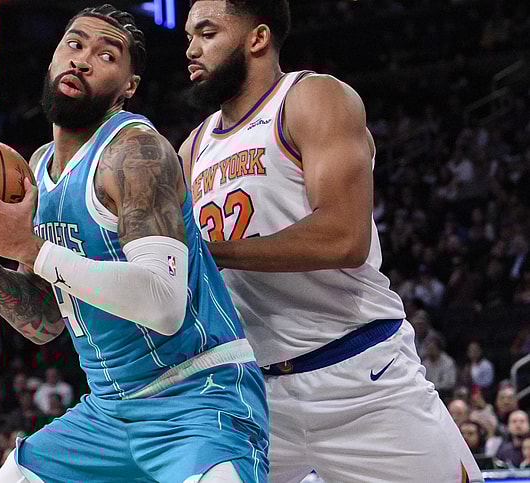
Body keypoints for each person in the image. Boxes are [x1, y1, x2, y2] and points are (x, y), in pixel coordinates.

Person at [0, 4, 268, 482]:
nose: (82, 60)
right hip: (108, 412)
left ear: (128, 87)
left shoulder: (136, 152)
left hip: (198, 398)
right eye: (75, 44)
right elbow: (43, 322)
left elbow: (164, 305)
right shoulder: (35, 172)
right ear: (53, 58)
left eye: (107, 55)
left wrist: (31, 249)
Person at [179, 1, 482, 481]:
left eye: (207, 33)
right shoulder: (192, 147)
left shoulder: (311, 97)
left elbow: (343, 237)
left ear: (257, 38)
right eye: (189, 37)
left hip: (361, 379)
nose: (192, 49)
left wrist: (206, 251)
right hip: (257, 393)